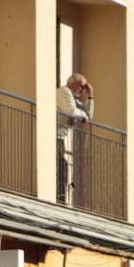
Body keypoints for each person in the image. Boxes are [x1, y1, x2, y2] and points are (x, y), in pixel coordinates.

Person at [56, 72, 93, 202]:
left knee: (62, 165)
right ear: (73, 84)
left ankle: (60, 197)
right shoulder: (64, 91)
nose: (83, 90)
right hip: (54, 136)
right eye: (82, 87)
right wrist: (83, 115)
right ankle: (60, 199)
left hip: (59, 138)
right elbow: (72, 112)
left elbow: (89, 115)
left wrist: (90, 97)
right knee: (62, 166)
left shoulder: (74, 99)